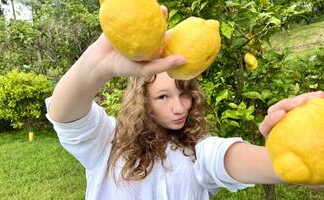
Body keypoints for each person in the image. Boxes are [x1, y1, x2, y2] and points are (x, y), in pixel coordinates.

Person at [45, 6, 324, 200]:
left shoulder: (199, 153)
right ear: (141, 101)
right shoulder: (107, 145)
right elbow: (65, 115)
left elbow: (273, 165)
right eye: (163, 96)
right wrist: (97, 66)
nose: (180, 108)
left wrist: (292, 147)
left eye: (185, 94)